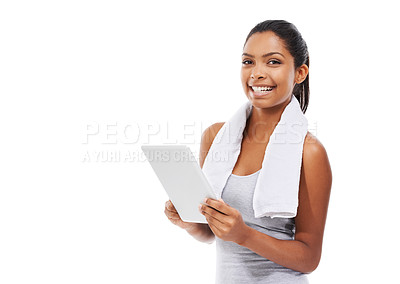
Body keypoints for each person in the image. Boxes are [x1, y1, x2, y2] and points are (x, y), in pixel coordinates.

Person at [164, 19, 332, 283]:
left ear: (299, 73)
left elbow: (310, 257)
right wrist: (189, 223)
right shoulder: (216, 137)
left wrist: (245, 234)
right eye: (248, 61)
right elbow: (211, 232)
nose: (257, 73)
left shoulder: (309, 152)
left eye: (273, 62)